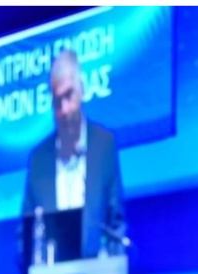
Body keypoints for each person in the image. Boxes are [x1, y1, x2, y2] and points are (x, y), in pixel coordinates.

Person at [21, 49, 125, 261]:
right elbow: (24, 237)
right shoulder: (39, 160)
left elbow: (117, 223)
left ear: (82, 90)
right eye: (57, 102)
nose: (65, 109)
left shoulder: (104, 145)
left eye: (69, 96)